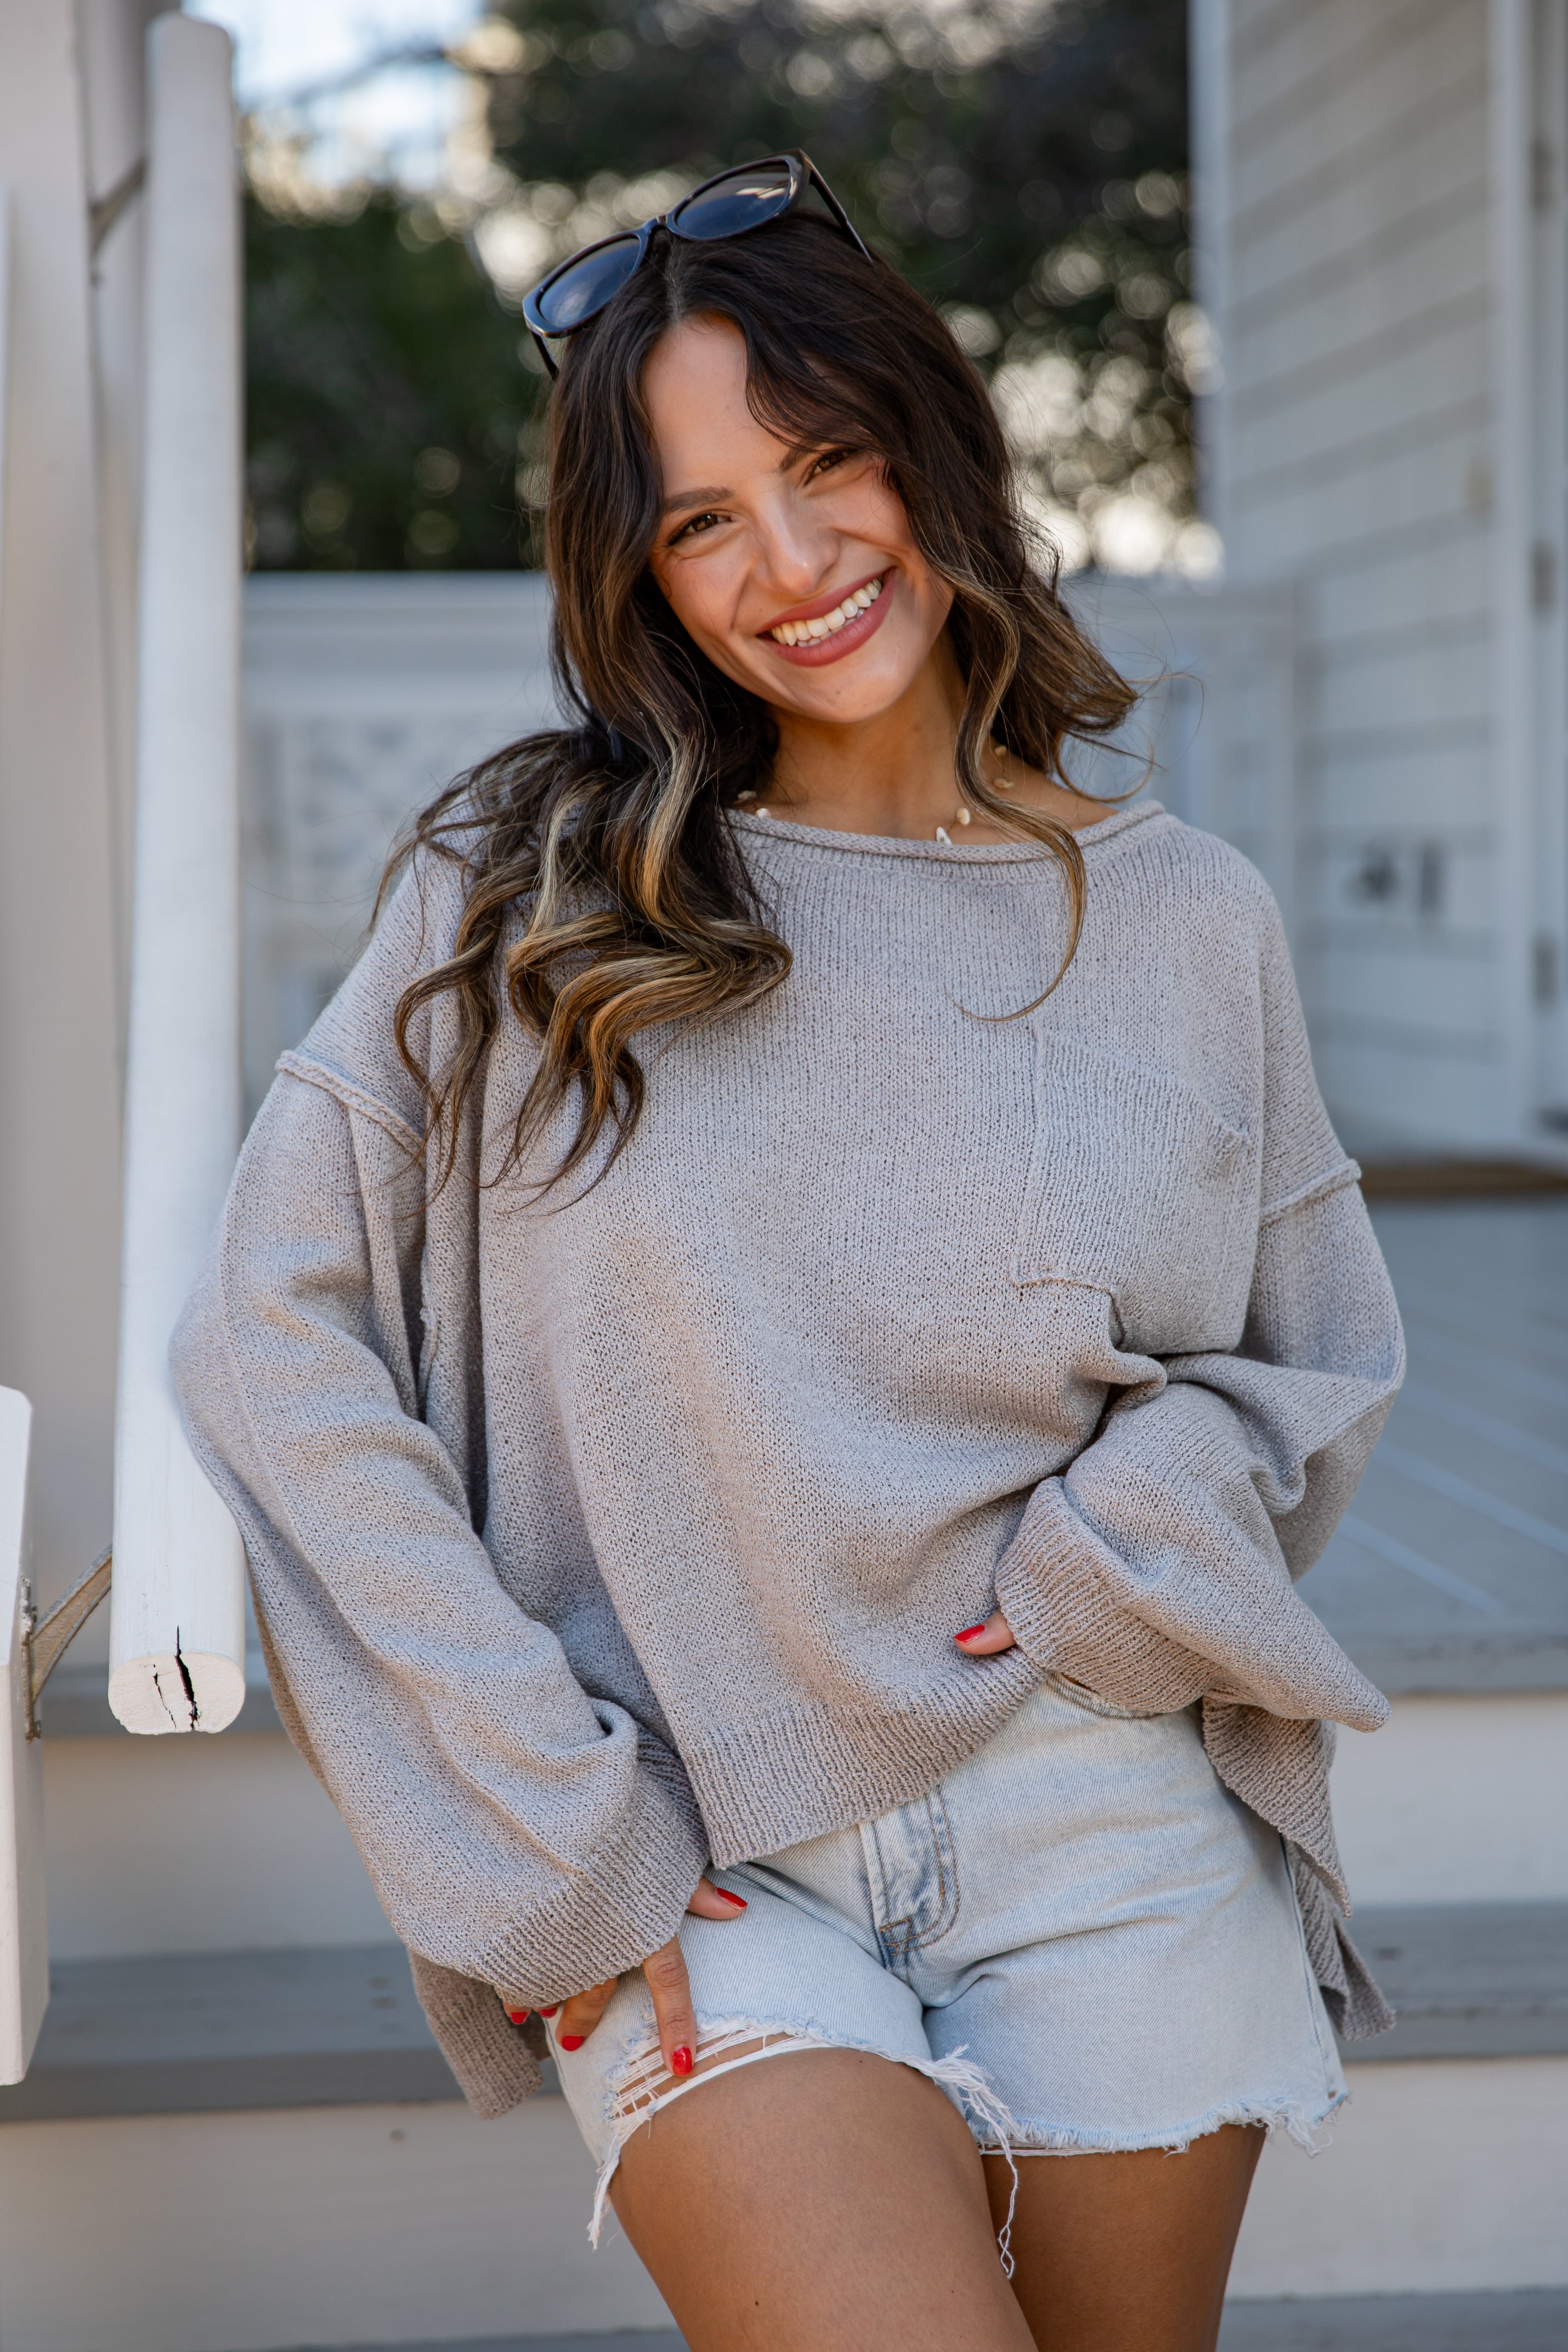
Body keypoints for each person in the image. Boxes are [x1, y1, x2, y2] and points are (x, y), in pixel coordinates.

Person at [175, 155, 1404, 2352]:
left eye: (825, 463)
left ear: (933, 444)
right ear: (634, 576)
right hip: (683, 1841)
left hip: (1103, 1809)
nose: (793, 561)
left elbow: (1304, 1362)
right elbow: (271, 1339)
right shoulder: (521, 885)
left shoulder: (1184, 913)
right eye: (698, 517)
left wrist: (1099, 1565)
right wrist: (547, 1820)